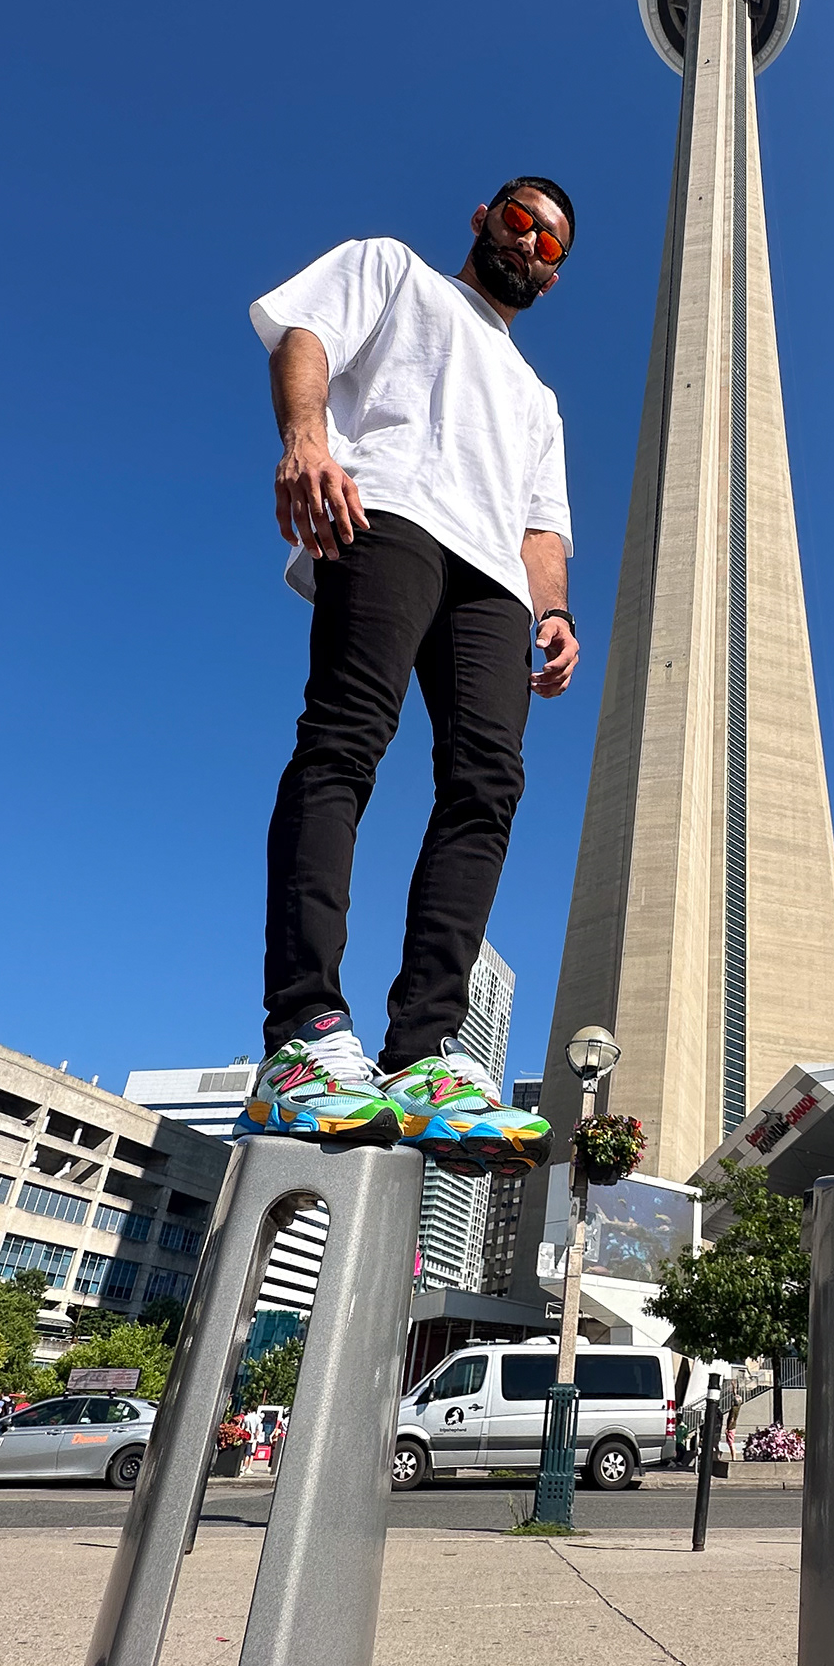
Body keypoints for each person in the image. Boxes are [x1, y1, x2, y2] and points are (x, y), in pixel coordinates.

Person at [241, 184, 581, 1178]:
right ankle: (304, 1028)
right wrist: (305, 437)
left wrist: (551, 609)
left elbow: (542, 527)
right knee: (347, 737)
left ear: (555, 270)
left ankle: (424, 1052)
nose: (532, 241)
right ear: (484, 218)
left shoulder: (538, 399)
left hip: (495, 582)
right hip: (384, 510)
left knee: (487, 789)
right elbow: (305, 337)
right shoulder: (395, 270)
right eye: (520, 219)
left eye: (552, 240)